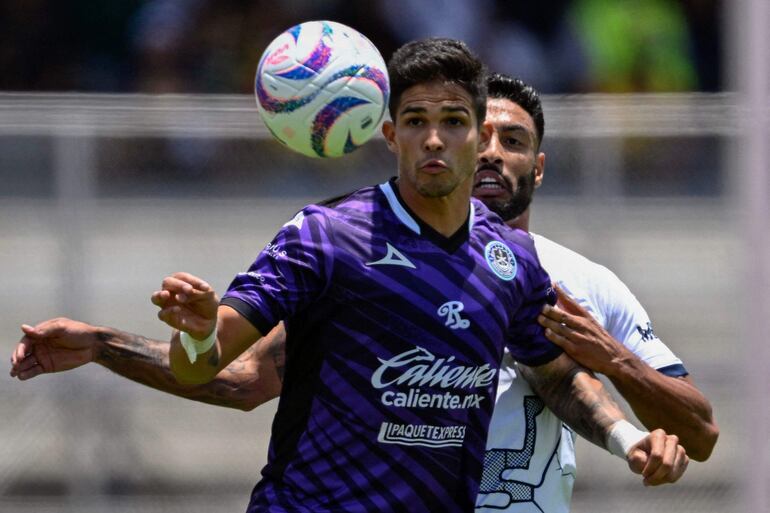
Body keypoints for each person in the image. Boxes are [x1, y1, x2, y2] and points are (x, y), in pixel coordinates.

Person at [10, 41, 688, 512]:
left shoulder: (507, 261)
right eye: (416, 121)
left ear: (477, 129)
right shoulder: (327, 236)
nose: (433, 140)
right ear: (388, 132)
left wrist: (629, 440)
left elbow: (559, 375)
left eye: (453, 122)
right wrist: (190, 333)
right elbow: (213, 366)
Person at [472, 72, 717, 512]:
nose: (492, 154)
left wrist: (615, 359)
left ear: (539, 168)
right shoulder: (393, 268)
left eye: (513, 141)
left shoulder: (584, 281)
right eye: (478, 138)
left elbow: (700, 434)